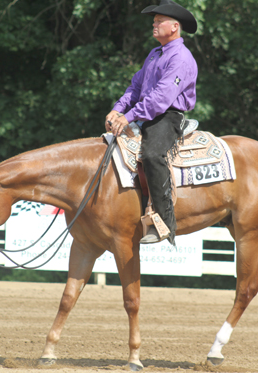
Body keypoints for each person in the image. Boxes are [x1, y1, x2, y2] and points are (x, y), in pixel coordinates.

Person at [105, 0, 198, 245]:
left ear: (174, 27)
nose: (154, 25)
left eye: (159, 22)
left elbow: (161, 98)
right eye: (154, 21)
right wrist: (117, 110)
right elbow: (136, 87)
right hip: (143, 113)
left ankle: (164, 222)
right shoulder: (155, 53)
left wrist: (128, 117)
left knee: (153, 156)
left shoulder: (180, 58)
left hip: (166, 117)